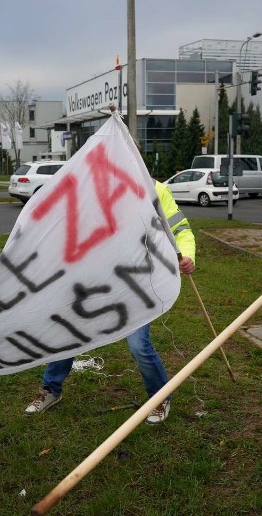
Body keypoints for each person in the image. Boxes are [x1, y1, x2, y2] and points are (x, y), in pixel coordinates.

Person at [24, 180, 196, 424]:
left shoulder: (154, 189)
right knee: (69, 334)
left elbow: (179, 228)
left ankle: (159, 398)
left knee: (138, 344)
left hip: (137, 283)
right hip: (94, 280)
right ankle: (50, 390)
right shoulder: (91, 182)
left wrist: (187, 254)